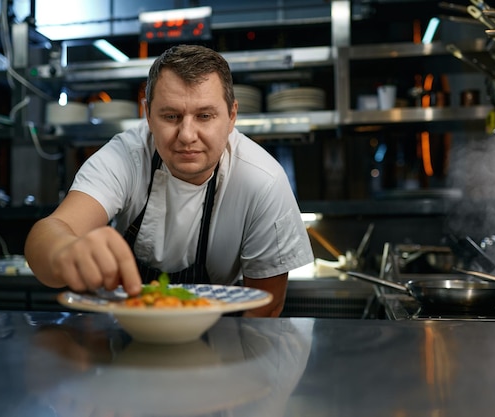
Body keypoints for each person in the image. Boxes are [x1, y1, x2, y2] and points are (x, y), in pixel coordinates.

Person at [24, 44, 313, 317]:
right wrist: (65, 252)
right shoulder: (125, 156)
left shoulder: (262, 181)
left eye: (205, 116)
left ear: (231, 116)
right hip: (128, 330)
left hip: (223, 336)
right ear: (148, 115)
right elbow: (50, 232)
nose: (187, 135)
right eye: (171, 116)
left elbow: (266, 309)